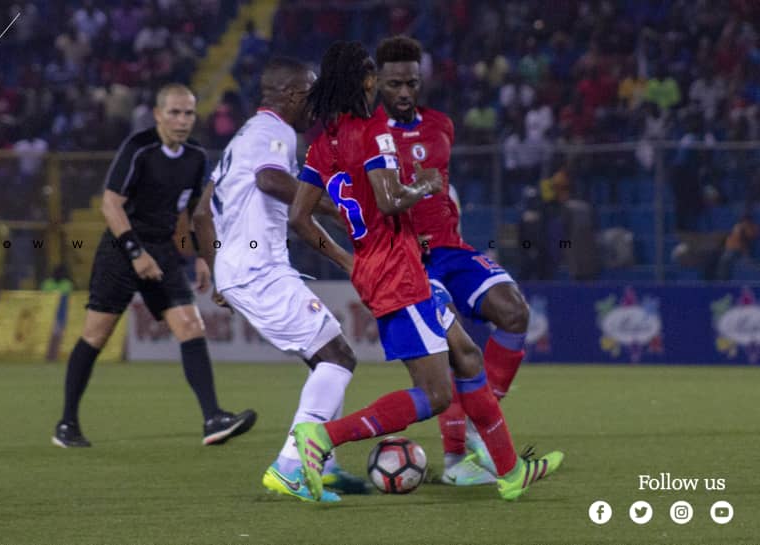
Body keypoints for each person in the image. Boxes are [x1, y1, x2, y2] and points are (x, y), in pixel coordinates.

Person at [289, 41, 562, 502]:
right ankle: (323, 438)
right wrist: (426, 185)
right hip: (399, 269)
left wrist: (347, 260)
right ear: (363, 81)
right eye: (374, 75)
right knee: (435, 394)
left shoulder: (322, 143)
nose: (379, 83)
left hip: (379, 268)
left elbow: (299, 218)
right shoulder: (374, 130)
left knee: (468, 356)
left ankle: (509, 471)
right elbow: (392, 199)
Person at [193, 57, 368, 502]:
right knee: (338, 357)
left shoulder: (243, 138)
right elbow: (271, 180)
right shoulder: (276, 134)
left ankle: (322, 466)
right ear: (292, 95)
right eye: (311, 93)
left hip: (246, 267)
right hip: (259, 269)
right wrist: (330, 205)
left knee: (325, 355)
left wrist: (219, 267)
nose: (316, 104)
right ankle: (290, 467)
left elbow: (201, 213)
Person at [52, 83, 256, 448]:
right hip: (121, 249)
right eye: (174, 113)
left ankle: (213, 418)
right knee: (96, 335)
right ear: (159, 115)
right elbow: (110, 205)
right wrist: (135, 253)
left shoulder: (195, 157)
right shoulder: (139, 148)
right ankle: (67, 424)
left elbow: (193, 214)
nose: (182, 120)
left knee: (191, 326)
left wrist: (200, 258)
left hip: (161, 250)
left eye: (188, 113)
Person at [373, 35, 536, 486]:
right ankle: (456, 460)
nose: (404, 92)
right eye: (393, 84)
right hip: (409, 260)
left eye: (411, 82)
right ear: (378, 84)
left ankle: (483, 433)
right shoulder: (367, 135)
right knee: (454, 353)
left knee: (515, 311)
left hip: (451, 249)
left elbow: (439, 188)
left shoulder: (442, 125)